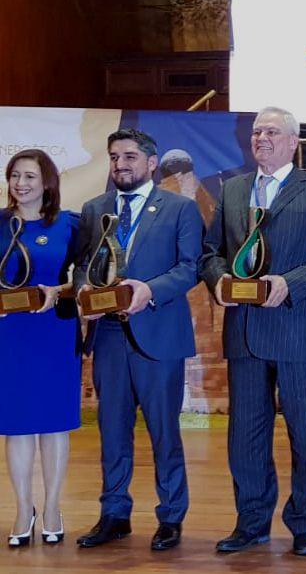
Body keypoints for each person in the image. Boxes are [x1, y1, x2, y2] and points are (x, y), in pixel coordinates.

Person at [200, 106, 306, 557]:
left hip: (296, 331)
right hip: (243, 333)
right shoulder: (234, 190)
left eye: (272, 132)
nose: (262, 138)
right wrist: (219, 279)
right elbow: (211, 253)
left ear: (293, 142)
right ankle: (252, 521)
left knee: (304, 434)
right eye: (257, 131)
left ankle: (304, 524)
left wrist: (289, 284)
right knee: (246, 434)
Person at [73, 128, 204, 551]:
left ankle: (170, 517)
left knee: (165, 432)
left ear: (151, 163)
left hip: (158, 332)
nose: (120, 164)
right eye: (114, 157)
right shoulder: (94, 209)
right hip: (109, 336)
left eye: (129, 156)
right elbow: (80, 268)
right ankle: (114, 514)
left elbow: (189, 268)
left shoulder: (180, 208)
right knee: (112, 431)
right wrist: (82, 295)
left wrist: (149, 291)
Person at [0, 150, 79, 547]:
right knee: (16, 425)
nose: (21, 183)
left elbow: (87, 280)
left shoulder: (69, 224)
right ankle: (21, 508)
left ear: (46, 181)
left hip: (53, 333)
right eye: (15, 176)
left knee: (53, 424)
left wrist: (59, 290)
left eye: (29, 176)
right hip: (9, 336)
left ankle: (51, 508)